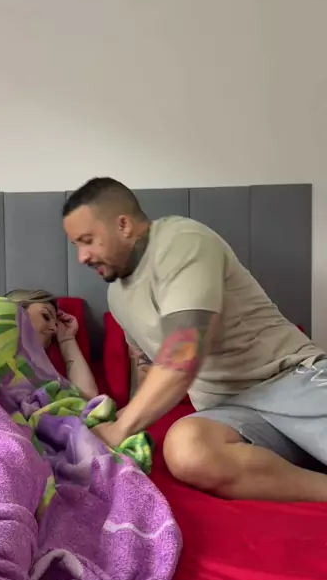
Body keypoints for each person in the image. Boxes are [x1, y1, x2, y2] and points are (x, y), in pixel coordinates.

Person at [62, 176, 327, 502]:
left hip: (291, 381)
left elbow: (183, 353)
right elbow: (146, 368)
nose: (82, 257)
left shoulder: (181, 241)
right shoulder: (117, 296)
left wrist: (118, 430)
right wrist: (127, 430)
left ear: (123, 225)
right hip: (230, 413)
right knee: (187, 448)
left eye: (87, 241)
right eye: (76, 246)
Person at [4, 288, 98, 399]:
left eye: (56, 325)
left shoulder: (42, 373)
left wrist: (67, 339)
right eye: (45, 316)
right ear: (17, 309)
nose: (54, 329)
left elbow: (88, 398)